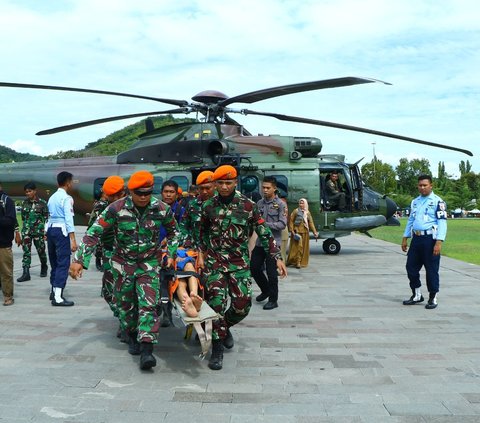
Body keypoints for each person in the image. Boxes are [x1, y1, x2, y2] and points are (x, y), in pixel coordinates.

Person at [69, 170, 180, 371]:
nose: (144, 197)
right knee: (126, 308)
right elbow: (94, 232)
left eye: (148, 192)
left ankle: (147, 349)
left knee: (148, 305)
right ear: (130, 192)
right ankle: (131, 335)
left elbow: (174, 232)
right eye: (140, 193)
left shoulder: (161, 208)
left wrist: (170, 253)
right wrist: (79, 260)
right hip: (123, 266)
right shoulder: (115, 209)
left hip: (148, 265)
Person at [198, 165, 287, 370]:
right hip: (215, 263)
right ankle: (217, 349)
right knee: (217, 304)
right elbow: (201, 232)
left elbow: (264, 232)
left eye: (228, 182)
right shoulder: (208, 206)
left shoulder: (248, 206)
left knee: (242, 306)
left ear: (235, 182)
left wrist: (277, 257)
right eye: (220, 183)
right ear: (215, 184)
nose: (224, 186)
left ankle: (223, 327)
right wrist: (202, 253)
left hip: (238, 264)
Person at [402, 174, 447, 310]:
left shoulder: (438, 202)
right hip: (416, 239)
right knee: (411, 267)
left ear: (431, 186)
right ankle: (416, 294)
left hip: (430, 239)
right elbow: (411, 220)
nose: (422, 188)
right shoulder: (415, 202)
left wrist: (439, 241)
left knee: (431, 269)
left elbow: (442, 223)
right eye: (420, 185)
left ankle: (433, 297)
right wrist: (405, 237)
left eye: (425, 185)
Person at [94, 176, 126, 330]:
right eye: (109, 196)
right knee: (108, 291)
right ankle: (122, 318)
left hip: (129, 257)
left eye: (117, 195)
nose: (112, 199)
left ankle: (127, 325)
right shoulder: (102, 207)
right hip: (109, 253)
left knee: (126, 292)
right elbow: (92, 231)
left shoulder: (132, 207)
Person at [251, 177, 287, 310]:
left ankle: (273, 299)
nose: (265, 190)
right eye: (263, 187)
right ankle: (265, 290)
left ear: (274, 188)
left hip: (274, 244)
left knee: (272, 273)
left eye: (268, 188)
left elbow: (282, 224)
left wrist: (265, 225)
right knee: (254, 268)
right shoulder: (259, 203)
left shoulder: (281, 204)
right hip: (260, 242)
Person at [46, 171, 77, 307]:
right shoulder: (66, 198)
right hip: (61, 230)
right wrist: (73, 239)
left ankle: (54, 291)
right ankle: (58, 297)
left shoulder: (52, 197)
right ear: (68, 182)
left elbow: (49, 216)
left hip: (51, 229)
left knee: (54, 262)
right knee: (63, 263)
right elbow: (68, 218)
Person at [17, 181, 49, 282]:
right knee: (26, 252)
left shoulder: (42, 203)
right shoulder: (24, 203)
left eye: (30, 191)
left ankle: (44, 266)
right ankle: (26, 273)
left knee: (41, 251)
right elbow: (23, 218)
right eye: (26, 192)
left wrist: (46, 232)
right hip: (26, 232)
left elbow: (47, 218)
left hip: (38, 232)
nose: (28, 193)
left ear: (35, 191)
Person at [0, 182, 21, 306]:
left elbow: (10, 221)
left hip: (3, 243)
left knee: (6, 272)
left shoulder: (7, 201)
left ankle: (8, 296)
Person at [286, 198, 318, 268]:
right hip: (297, 232)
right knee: (296, 248)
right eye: (300, 203)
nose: (301, 205)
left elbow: (311, 223)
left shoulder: (307, 213)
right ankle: (293, 261)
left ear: (305, 204)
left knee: (303, 248)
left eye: (302, 203)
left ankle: (299, 262)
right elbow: (291, 221)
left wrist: (315, 232)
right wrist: (291, 230)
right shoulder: (296, 211)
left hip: (305, 232)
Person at [87, 189, 109, 272]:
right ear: (103, 194)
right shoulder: (100, 204)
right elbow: (95, 216)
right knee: (100, 246)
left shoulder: (104, 203)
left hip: (103, 226)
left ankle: (102, 261)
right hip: (99, 226)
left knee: (102, 246)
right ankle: (98, 261)